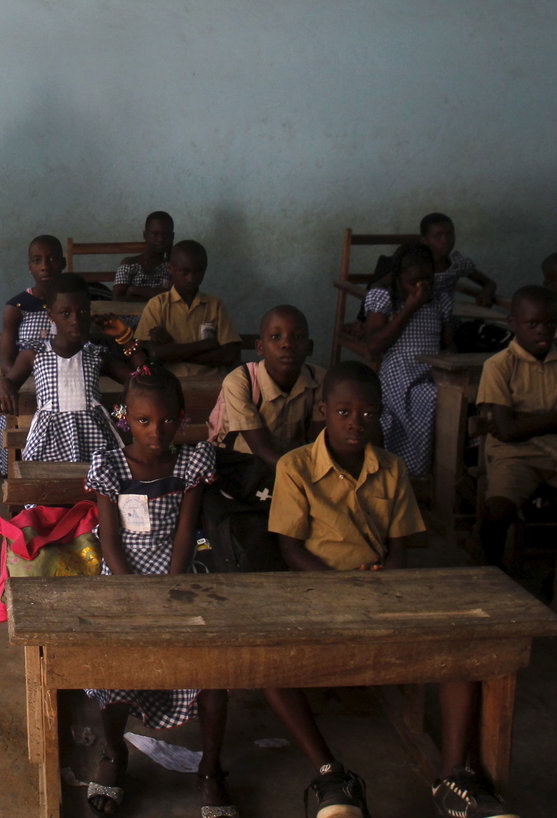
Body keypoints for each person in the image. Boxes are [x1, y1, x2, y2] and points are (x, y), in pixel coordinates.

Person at [266, 361, 515, 818]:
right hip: (316, 591)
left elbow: (400, 546)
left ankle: (454, 776)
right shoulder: (294, 467)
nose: (355, 423)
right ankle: (330, 774)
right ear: (322, 410)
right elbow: (290, 550)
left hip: (382, 590)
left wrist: (387, 580)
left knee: (462, 649)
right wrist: (340, 586)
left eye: (367, 413)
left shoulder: (392, 468)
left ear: (380, 414)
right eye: (343, 411)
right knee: (263, 666)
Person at [80, 365, 234, 817]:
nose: (156, 431)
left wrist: (170, 587)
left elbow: (185, 536)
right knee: (111, 668)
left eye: (167, 421)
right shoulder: (109, 465)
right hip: (123, 576)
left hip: (178, 574)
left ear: (182, 418)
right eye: (144, 421)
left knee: (212, 670)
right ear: (126, 417)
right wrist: (134, 594)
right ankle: (113, 755)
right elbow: (109, 542)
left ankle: (211, 769)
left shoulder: (190, 463)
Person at [476, 285, 557, 622]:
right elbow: (506, 431)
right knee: (497, 508)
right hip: (513, 454)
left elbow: (518, 424)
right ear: (513, 323)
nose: (543, 332)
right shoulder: (499, 366)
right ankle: (490, 567)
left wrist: (526, 421)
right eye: (533, 324)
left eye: (550, 324)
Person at [0, 275, 133, 466]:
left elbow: (139, 380)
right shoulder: (34, 354)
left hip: (95, 444)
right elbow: (10, 380)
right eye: (65, 313)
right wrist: (4, 383)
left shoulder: (96, 354)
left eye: (82, 311)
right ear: (51, 316)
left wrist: (125, 337)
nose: (75, 320)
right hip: (47, 444)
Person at [363, 242, 452, 478]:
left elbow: (449, 344)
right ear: (399, 277)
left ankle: (443, 468)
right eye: (414, 283)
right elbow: (374, 345)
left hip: (432, 369)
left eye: (428, 282)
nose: (422, 288)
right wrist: (410, 306)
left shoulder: (439, 300)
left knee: (452, 395)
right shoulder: (384, 297)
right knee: (430, 397)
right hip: (399, 372)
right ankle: (415, 470)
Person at [215, 305, 325, 467]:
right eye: (275, 337)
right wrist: (297, 475)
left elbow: (319, 442)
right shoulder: (241, 382)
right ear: (260, 347)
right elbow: (260, 450)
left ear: (309, 347)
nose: (287, 344)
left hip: (293, 464)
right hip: (243, 467)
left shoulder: (320, 379)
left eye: (298, 337)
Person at [0, 235, 61, 476]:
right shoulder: (17, 307)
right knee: (3, 407)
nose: (45, 266)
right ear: (29, 266)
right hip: (28, 378)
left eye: (51, 259)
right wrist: (14, 382)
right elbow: (7, 358)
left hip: (65, 376)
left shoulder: (71, 300)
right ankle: (13, 470)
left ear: (62, 262)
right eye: (37, 260)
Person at [133, 240, 242, 378]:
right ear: (170, 268)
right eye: (185, 272)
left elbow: (229, 355)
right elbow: (153, 354)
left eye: (198, 271)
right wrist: (205, 345)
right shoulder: (157, 305)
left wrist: (171, 347)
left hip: (213, 382)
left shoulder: (215, 305)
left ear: (205, 269)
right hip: (170, 384)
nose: (191, 278)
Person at [420, 212, 498, 316]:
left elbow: (490, 283)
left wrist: (486, 293)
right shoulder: (416, 265)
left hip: (447, 317)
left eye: (449, 234)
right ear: (425, 240)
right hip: (419, 316)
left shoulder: (457, 264)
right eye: (437, 236)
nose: (445, 240)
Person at [111, 211, 174, 301]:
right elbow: (117, 299)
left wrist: (135, 290)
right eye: (155, 234)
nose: (160, 239)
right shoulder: (129, 264)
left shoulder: (172, 268)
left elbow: (173, 297)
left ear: (172, 237)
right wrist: (157, 297)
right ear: (145, 235)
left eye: (166, 234)